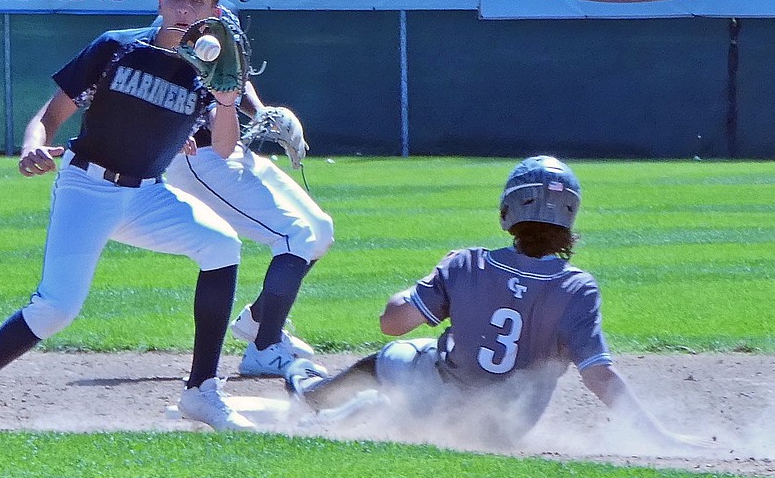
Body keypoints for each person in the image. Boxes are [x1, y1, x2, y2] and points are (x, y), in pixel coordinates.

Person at [0, 0, 256, 432]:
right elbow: (51, 114)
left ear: (214, 9)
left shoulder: (211, 71)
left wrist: (227, 100)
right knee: (58, 307)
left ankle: (201, 391)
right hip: (87, 187)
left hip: (147, 196)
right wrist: (32, 147)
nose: (184, 6)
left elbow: (224, 147)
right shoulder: (117, 47)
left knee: (222, 245)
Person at [287, 156, 712, 451]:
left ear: (508, 211)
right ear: (570, 218)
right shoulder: (578, 288)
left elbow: (392, 323)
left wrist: (434, 272)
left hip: (439, 403)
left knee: (395, 355)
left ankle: (317, 397)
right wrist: (659, 437)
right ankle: (379, 413)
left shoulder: (468, 264)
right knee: (421, 371)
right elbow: (600, 376)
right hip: (504, 431)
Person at [164, 0, 334, 380]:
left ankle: (258, 320)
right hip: (196, 157)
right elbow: (165, 79)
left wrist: (264, 111)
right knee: (296, 235)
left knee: (318, 229)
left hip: (227, 150)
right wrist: (167, 126)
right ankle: (264, 347)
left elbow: (231, 78)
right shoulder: (180, 21)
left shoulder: (224, 16)